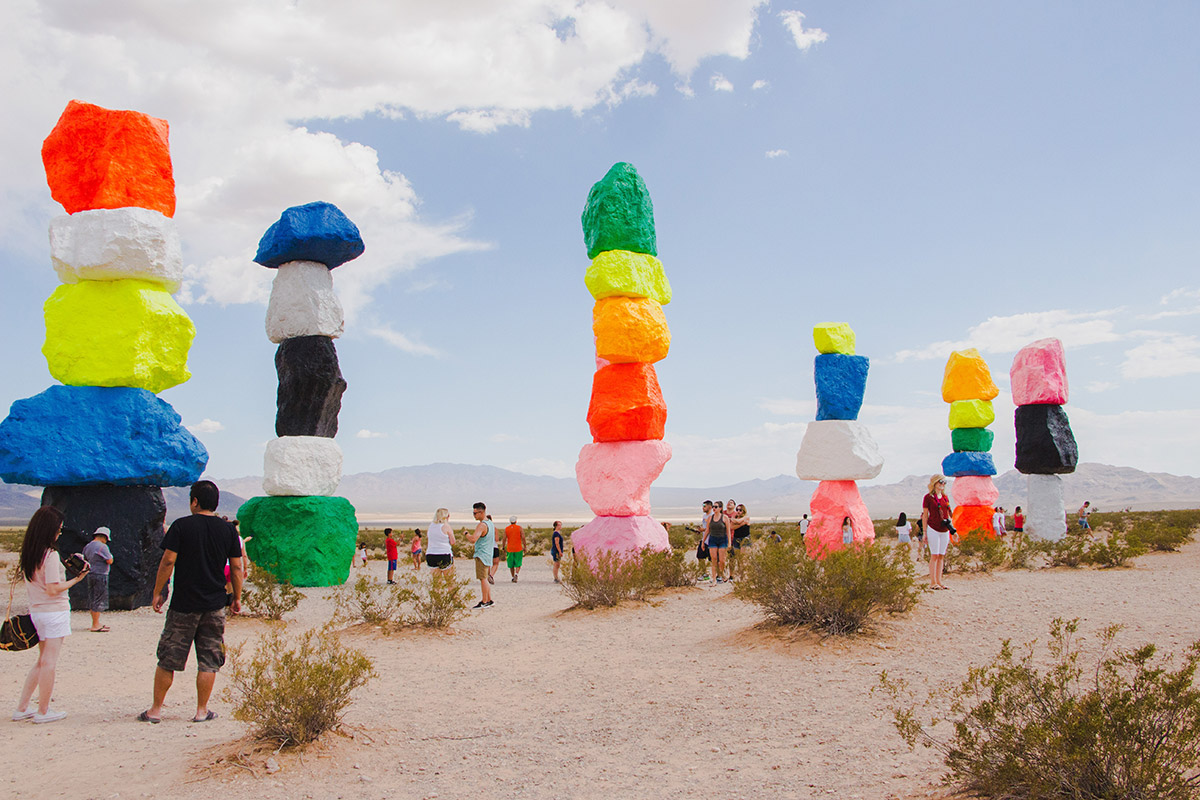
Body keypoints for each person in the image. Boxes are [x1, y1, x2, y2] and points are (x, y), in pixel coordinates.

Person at [140, 480, 243, 724]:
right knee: (209, 660)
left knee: (168, 658)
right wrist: (237, 596)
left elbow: (167, 561)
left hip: (183, 604)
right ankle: (201, 710)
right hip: (215, 604)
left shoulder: (181, 526)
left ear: (194, 501)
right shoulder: (227, 530)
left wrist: (157, 591)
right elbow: (237, 566)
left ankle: (155, 710)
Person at [13, 506, 90, 723]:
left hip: (37, 611)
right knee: (49, 662)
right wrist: (77, 578)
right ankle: (43, 711)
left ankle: (22, 707)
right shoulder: (50, 554)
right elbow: (53, 588)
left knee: (41, 661)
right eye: (58, 529)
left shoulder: (31, 553)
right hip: (54, 611)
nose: (59, 533)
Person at [921, 475, 956, 590]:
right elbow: (925, 515)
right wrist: (925, 532)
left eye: (944, 482)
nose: (942, 484)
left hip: (944, 529)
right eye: (940, 481)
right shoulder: (928, 497)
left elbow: (949, 515)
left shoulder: (945, 498)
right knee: (934, 555)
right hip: (933, 528)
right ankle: (933, 582)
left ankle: (939, 581)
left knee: (941, 555)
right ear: (935, 483)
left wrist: (953, 530)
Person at [83, 526, 114, 632]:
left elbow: (85, 558)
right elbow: (109, 560)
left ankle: (95, 622)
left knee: (92, 597)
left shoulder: (88, 546)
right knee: (99, 598)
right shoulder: (102, 547)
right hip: (101, 574)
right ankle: (95, 625)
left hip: (90, 574)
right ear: (104, 537)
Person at [465, 502, 495, 609]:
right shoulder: (490, 523)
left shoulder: (482, 525)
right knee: (485, 577)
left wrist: (466, 534)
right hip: (488, 554)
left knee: (483, 579)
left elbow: (473, 539)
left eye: (475, 513)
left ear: (481, 512)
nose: (474, 515)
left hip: (482, 554)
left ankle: (484, 601)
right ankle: (489, 599)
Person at [705, 501, 731, 583]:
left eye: (716, 507)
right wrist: (703, 541)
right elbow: (707, 530)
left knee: (722, 560)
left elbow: (728, 531)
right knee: (714, 560)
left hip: (722, 539)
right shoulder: (710, 518)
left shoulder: (725, 518)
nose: (714, 508)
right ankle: (714, 579)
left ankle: (721, 573)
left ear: (720, 508)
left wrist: (729, 542)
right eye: (713, 507)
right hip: (713, 539)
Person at [425, 510, 455, 574]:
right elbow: (453, 542)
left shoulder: (431, 526)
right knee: (449, 580)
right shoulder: (446, 526)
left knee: (436, 581)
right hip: (444, 554)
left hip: (431, 554)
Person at [729, 504, 750, 580]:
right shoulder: (735, 518)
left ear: (743, 511)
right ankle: (740, 575)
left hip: (745, 539)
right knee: (738, 558)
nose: (738, 511)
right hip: (736, 539)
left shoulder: (746, 517)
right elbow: (731, 527)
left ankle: (744, 575)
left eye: (740, 510)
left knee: (742, 558)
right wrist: (741, 524)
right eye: (737, 510)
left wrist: (736, 521)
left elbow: (737, 521)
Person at [504, 515, 524, 582]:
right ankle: (516, 574)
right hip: (518, 548)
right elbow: (523, 537)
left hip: (510, 548)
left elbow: (504, 539)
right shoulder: (519, 528)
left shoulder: (507, 529)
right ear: (516, 521)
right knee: (518, 562)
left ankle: (513, 576)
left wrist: (503, 547)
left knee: (511, 563)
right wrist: (525, 546)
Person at [487, 515, 501, 585]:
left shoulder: (483, 528)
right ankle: (491, 575)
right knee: (495, 563)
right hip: (494, 547)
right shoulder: (494, 529)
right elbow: (497, 539)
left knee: (488, 563)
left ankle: (488, 575)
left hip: (486, 547)